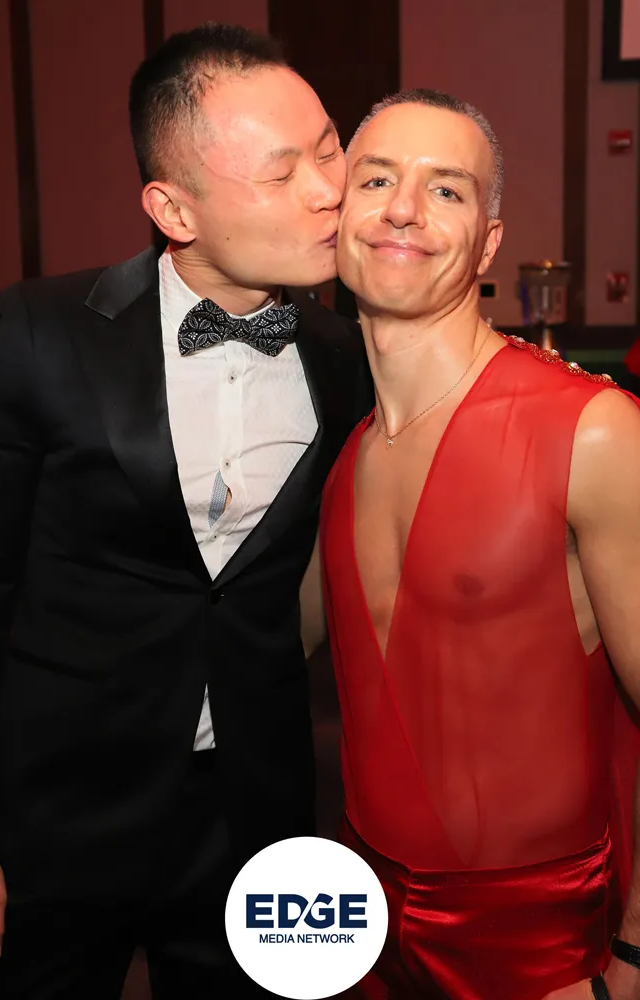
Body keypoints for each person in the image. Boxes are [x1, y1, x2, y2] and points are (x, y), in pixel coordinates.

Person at [0, 23, 370, 999]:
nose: (329, 190)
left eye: (329, 150)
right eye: (281, 173)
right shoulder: (38, 333)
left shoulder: (345, 358)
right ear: (173, 208)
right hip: (57, 812)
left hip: (253, 810)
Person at [320, 88, 640, 1000]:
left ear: (489, 243)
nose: (403, 209)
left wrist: (632, 955)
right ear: (334, 215)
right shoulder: (339, 457)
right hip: (362, 923)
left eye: (446, 189)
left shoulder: (591, 431)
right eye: (375, 179)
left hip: (538, 943)